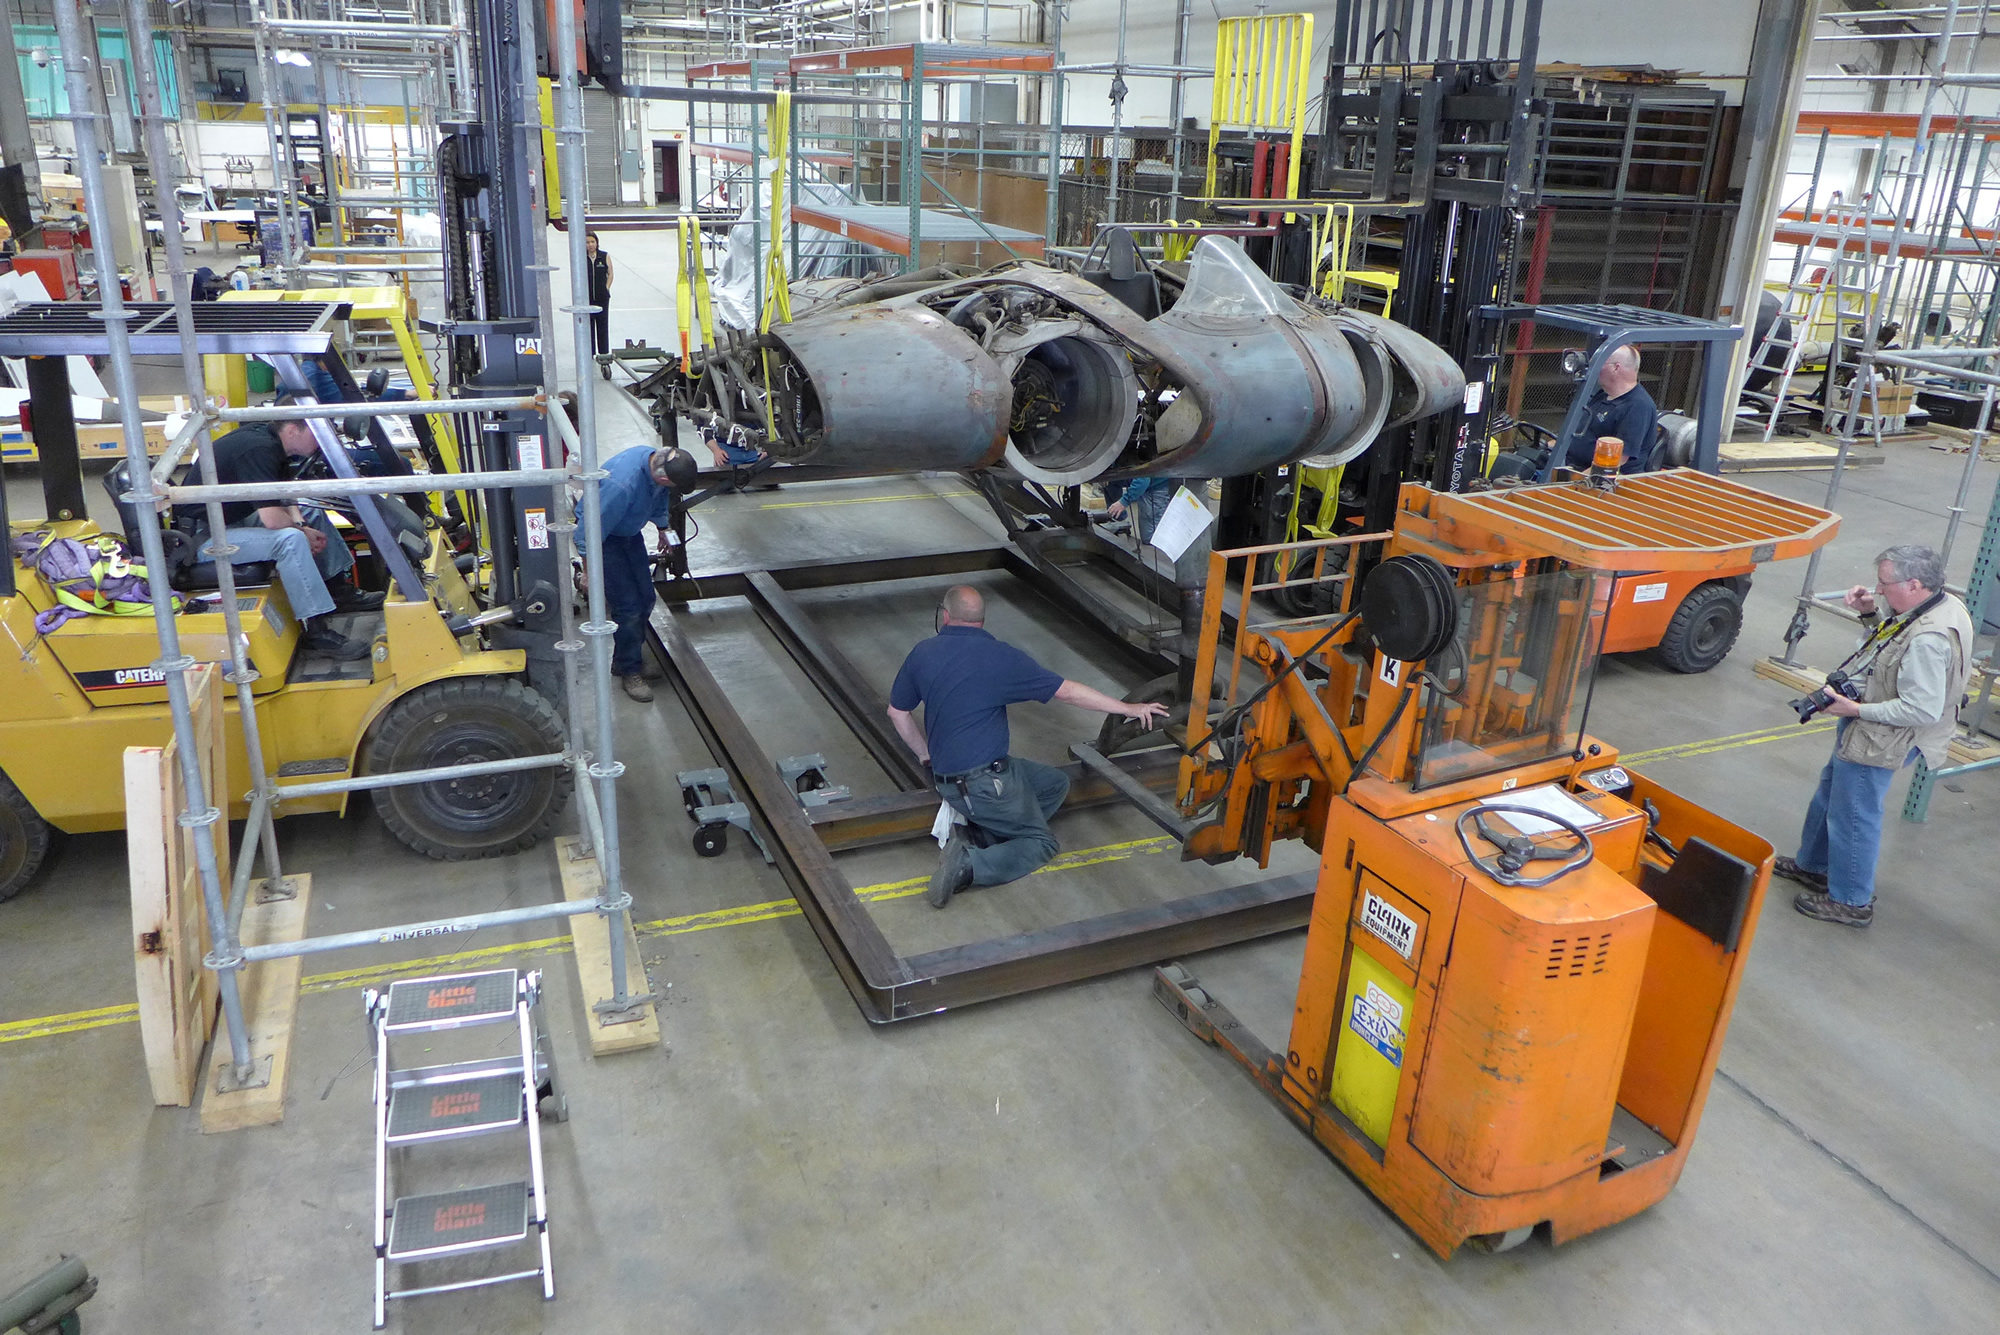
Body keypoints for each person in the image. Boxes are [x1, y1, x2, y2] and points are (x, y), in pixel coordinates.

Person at [887, 585, 1170, 908]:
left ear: (946, 615)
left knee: (1054, 784)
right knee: (1041, 843)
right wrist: (1130, 709)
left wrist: (926, 756)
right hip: (982, 783)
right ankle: (969, 865)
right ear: (982, 620)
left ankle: (981, 835)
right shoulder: (1001, 657)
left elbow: (897, 712)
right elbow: (1068, 692)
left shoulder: (922, 652)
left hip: (958, 776)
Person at [1777, 544, 1975, 928]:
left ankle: (1852, 900)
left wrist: (1854, 710)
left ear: (1914, 583)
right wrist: (1870, 614)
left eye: (1885, 584)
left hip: (1884, 735)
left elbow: (1921, 708)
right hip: (1872, 724)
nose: (1879, 590)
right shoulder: (1932, 605)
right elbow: (1889, 647)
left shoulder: (1929, 638)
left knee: (1854, 814)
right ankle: (1814, 865)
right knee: (1831, 793)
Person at [208, 418, 382, 661]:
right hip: (208, 537)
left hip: (235, 518)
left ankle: (337, 591)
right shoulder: (258, 450)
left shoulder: (273, 442)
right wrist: (301, 533)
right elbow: (271, 519)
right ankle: (316, 631)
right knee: (289, 540)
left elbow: (286, 494)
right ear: (292, 430)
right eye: (316, 433)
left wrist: (302, 524)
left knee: (310, 510)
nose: (321, 439)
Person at [590, 444, 698, 702]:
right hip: (604, 539)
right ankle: (629, 671)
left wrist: (663, 527)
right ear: (663, 476)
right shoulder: (621, 485)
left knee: (646, 598)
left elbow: (659, 497)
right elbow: (590, 526)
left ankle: (627, 659)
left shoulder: (656, 464)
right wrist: (587, 568)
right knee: (627, 607)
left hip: (628, 534)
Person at [1553, 344, 1657, 476]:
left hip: (1605, 480)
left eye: (1599, 363)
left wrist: (1576, 481)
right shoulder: (1602, 396)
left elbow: (1618, 459)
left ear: (1615, 368)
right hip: (1570, 465)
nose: (1593, 369)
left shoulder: (1638, 406)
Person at [585, 231, 612, 359]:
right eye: (587, 242)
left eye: (592, 242)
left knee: (602, 325)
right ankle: (590, 352)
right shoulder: (581, 258)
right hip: (587, 298)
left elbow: (610, 273)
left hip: (602, 298)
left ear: (597, 243)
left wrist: (606, 288)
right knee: (588, 325)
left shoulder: (604, 256)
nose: (590, 245)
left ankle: (603, 353)